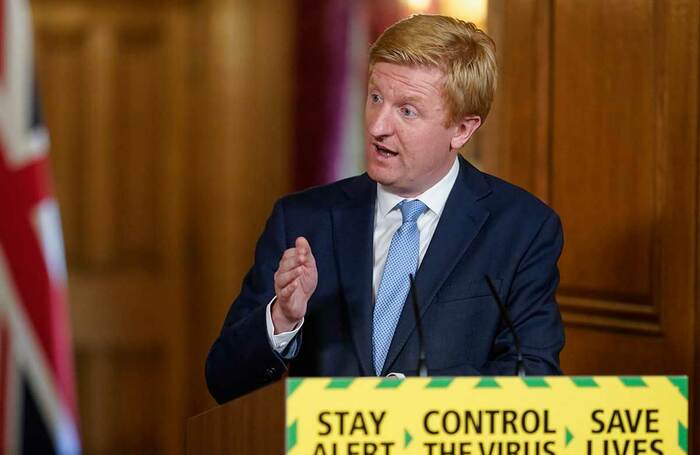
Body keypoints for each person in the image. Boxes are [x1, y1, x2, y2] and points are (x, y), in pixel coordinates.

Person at [206, 14, 565, 404]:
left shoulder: (522, 228)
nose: (378, 126)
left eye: (407, 111)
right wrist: (282, 320)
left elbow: (533, 376)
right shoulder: (303, 220)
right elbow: (224, 379)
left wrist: (411, 399)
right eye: (376, 97)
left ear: (462, 129)